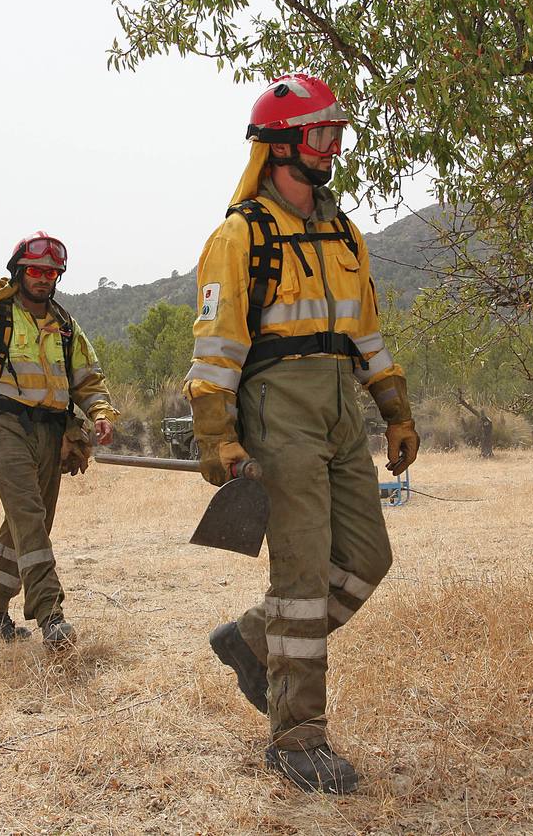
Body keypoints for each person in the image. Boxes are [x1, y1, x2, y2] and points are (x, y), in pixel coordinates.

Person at [186, 74, 419, 793]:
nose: (335, 145)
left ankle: (253, 640)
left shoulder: (344, 232)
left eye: (337, 132)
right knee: (299, 578)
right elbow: (217, 348)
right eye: (322, 133)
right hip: (276, 407)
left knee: (367, 557)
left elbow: (368, 334)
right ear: (282, 144)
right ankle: (296, 740)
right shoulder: (239, 236)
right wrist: (216, 436)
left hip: (340, 406)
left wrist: (395, 407)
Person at [0, 232, 120, 650]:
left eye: (51, 272)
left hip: (51, 433)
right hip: (5, 428)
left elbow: (89, 380)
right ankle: (51, 615)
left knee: (30, 523)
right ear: (19, 272)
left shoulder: (65, 326)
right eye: (35, 271)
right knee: (29, 518)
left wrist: (100, 413)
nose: (43, 279)